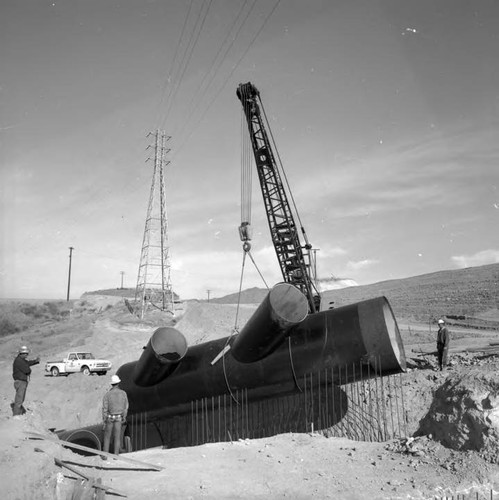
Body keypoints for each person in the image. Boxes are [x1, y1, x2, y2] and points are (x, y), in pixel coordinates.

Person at [102, 374, 129, 458]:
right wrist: (124, 417)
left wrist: (104, 420)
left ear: (111, 384)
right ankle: (116, 455)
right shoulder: (123, 393)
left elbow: (105, 409)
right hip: (119, 417)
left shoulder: (107, 395)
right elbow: (126, 407)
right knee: (117, 437)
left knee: (107, 437)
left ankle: (105, 455)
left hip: (110, 417)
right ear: (118, 383)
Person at [12, 345, 40, 416]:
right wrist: (29, 370)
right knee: (19, 399)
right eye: (26, 354)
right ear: (22, 353)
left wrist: (35, 361)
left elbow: (27, 363)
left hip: (22, 381)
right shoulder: (19, 361)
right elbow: (27, 370)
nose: (27, 355)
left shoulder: (21, 360)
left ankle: (18, 413)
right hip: (20, 381)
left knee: (21, 398)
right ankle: (16, 415)